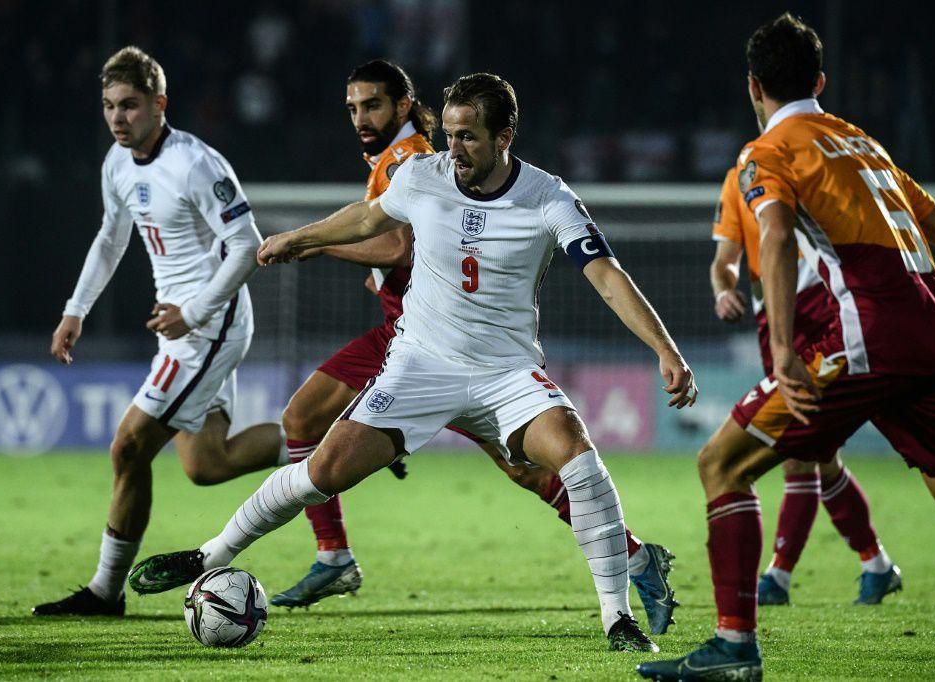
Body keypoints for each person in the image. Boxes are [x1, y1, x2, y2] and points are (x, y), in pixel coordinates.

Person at [128, 72, 697, 653]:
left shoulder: (549, 198)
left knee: (574, 453)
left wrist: (665, 349)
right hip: (420, 365)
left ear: (506, 136)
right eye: (449, 134)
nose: (454, 149)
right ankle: (211, 554)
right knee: (323, 472)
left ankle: (616, 619)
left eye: (469, 137)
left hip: (505, 372)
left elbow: (607, 276)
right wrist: (299, 238)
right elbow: (369, 217)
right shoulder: (424, 176)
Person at [272, 60, 678, 635]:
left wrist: (311, 245)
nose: (361, 118)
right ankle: (635, 557)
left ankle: (334, 554)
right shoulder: (400, 160)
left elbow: (388, 243)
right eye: (353, 108)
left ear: (404, 105)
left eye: (373, 106)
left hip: (423, 339)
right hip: (424, 338)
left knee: (301, 417)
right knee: (523, 471)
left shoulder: (410, 161)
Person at [639, 14, 935, 680]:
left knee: (722, 465)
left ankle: (733, 647)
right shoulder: (864, 144)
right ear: (821, 80)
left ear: (751, 86)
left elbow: (779, 240)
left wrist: (785, 351)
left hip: (866, 334)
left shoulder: (767, 153)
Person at [32, 46, 286, 617]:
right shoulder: (117, 164)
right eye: (108, 106)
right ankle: (323, 442)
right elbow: (110, 238)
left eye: (129, 105)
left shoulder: (197, 164)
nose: (118, 117)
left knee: (128, 446)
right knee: (206, 465)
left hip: (209, 324)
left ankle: (104, 592)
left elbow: (248, 247)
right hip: (180, 326)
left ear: (159, 104)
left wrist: (193, 312)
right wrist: (75, 310)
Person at [710, 165, 900, 606]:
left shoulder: (807, 165)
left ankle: (777, 578)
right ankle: (875, 563)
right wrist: (723, 291)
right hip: (771, 317)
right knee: (818, 455)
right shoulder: (740, 176)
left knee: (799, 452)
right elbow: (724, 262)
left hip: (821, 305)